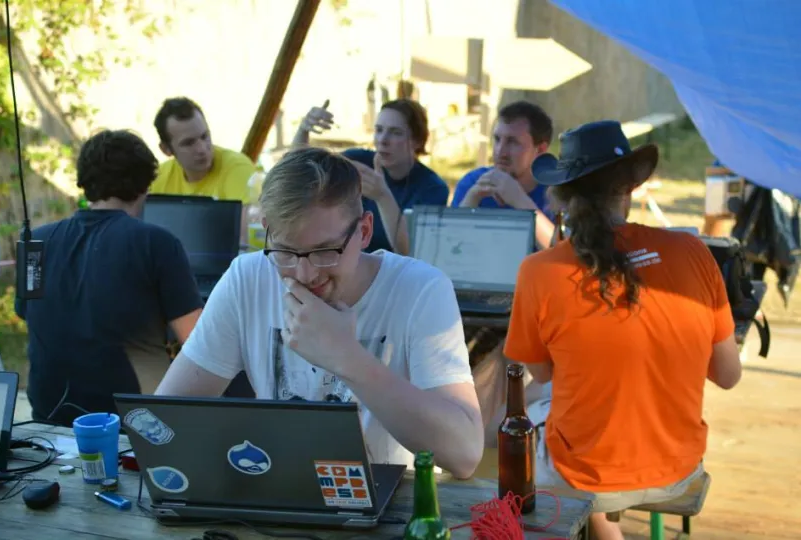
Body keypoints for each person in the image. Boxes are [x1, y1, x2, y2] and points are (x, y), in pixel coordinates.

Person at [154, 146, 484, 478]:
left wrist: (346, 357)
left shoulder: (420, 290)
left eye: (324, 252)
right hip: (279, 489)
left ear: (364, 231)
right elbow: (166, 418)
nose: (304, 274)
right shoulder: (248, 278)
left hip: (390, 502)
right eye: (285, 251)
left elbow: (465, 454)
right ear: (267, 230)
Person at [503, 120, 742, 539]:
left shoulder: (538, 272)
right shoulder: (693, 251)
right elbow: (727, 375)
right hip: (677, 468)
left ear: (563, 196)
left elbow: (545, 375)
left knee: (524, 419)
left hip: (587, 475)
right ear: (630, 187)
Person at [15, 130, 203, 427]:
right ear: (145, 184)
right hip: (132, 426)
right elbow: (197, 341)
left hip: (48, 419)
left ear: (83, 181)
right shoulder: (157, 243)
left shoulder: (36, 242)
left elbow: (31, 315)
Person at [292, 98, 449, 255]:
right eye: (379, 130)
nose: (382, 140)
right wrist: (303, 130)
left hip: (398, 274)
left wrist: (382, 196)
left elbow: (411, 252)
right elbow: (299, 169)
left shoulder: (433, 188)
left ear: (417, 141)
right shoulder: (360, 161)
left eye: (396, 133)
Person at [451, 100, 556, 249]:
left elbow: (564, 255)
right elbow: (449, 246)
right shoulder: (473, 182)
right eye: (497, 139)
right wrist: (472, 198)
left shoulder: (557, 191)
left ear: (540, 150)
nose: (500, 151)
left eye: (513, 142)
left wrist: (519, 200)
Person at [150, 97, 257, 242]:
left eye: (204, 136)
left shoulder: (237, 167)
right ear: (166, 149)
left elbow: (245, 239)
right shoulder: (159, 177)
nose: (201, 149)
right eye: (188, 143)